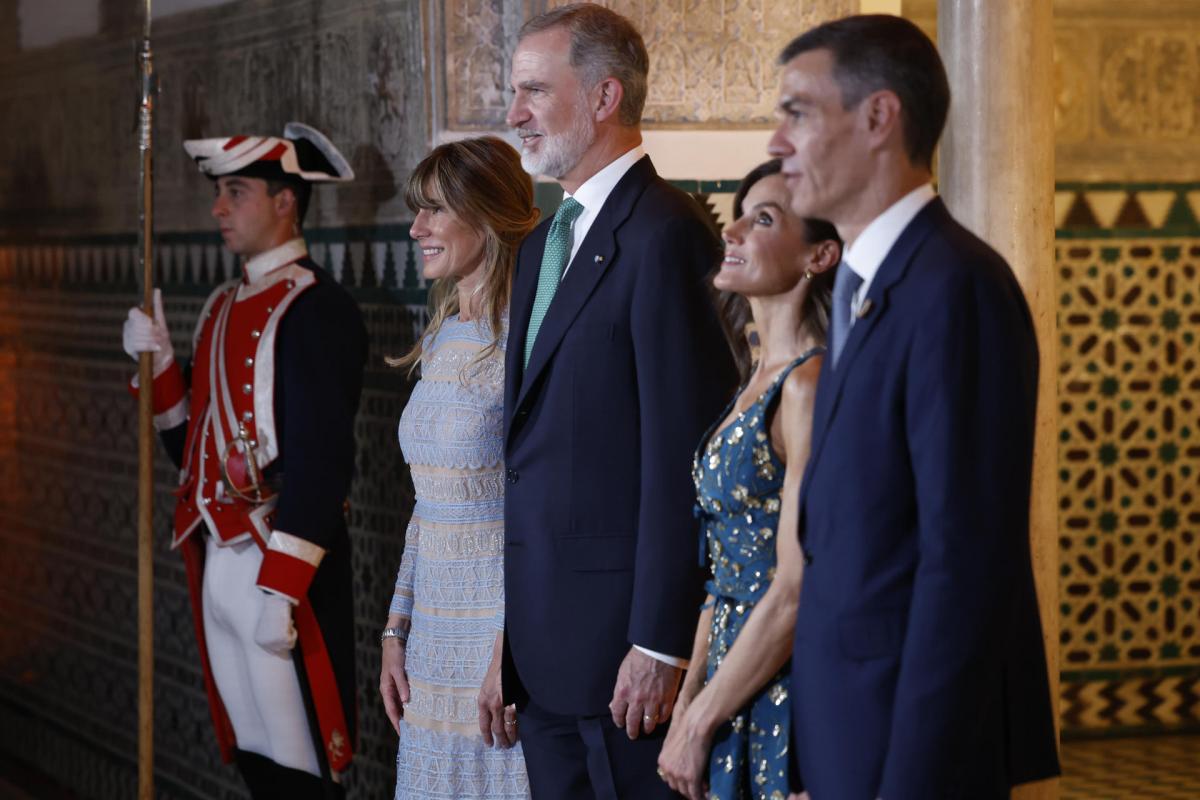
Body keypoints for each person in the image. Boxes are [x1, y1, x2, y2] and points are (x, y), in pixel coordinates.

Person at [767, 15, 1061, 799]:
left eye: (797, 112)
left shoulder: (956, 289)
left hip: (909, 747)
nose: (776, 141)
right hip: (850, 732)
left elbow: (961, 569)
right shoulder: (865, 284)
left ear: (878, 118)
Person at [479, 4, 738, 797]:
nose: (514, 114)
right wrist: (508, 641)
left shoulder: (666, 233)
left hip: (626, 665)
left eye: (533, 91)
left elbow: (679, 451)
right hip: (544, 653)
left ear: (604, 98)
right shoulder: (537, 244)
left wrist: (661, 641)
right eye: (512, 92)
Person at [121, 123, 366, 798]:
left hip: (278, 564)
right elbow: (193, 451)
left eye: (236, 192)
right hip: (220, 561)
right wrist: (164, 365)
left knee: (303, 766)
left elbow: (322, 464)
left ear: (286, 201)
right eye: (219, 193)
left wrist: (282, 589)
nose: (218, 209)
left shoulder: (319, 310)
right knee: (256, 758)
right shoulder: (222, 305)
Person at [657, 160, 841, 800]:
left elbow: (795, 588)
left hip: (787, 686)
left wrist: (699, 719)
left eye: (763, 219)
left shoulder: (808, 386)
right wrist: (687, 709)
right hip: (731, 679)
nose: (731, 231)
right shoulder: (754, 381)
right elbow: (722, 578)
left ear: (820, 254)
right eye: (739, 213)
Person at [379, 136, 537, 800]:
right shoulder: (442, 335)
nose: (417, 229)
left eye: (435, 211)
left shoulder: (526, 343)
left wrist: (513, 648)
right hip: (431, 639)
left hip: (495, 634)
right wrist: (396, 627)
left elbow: (537, 507)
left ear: (488, 216)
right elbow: (427, 506)